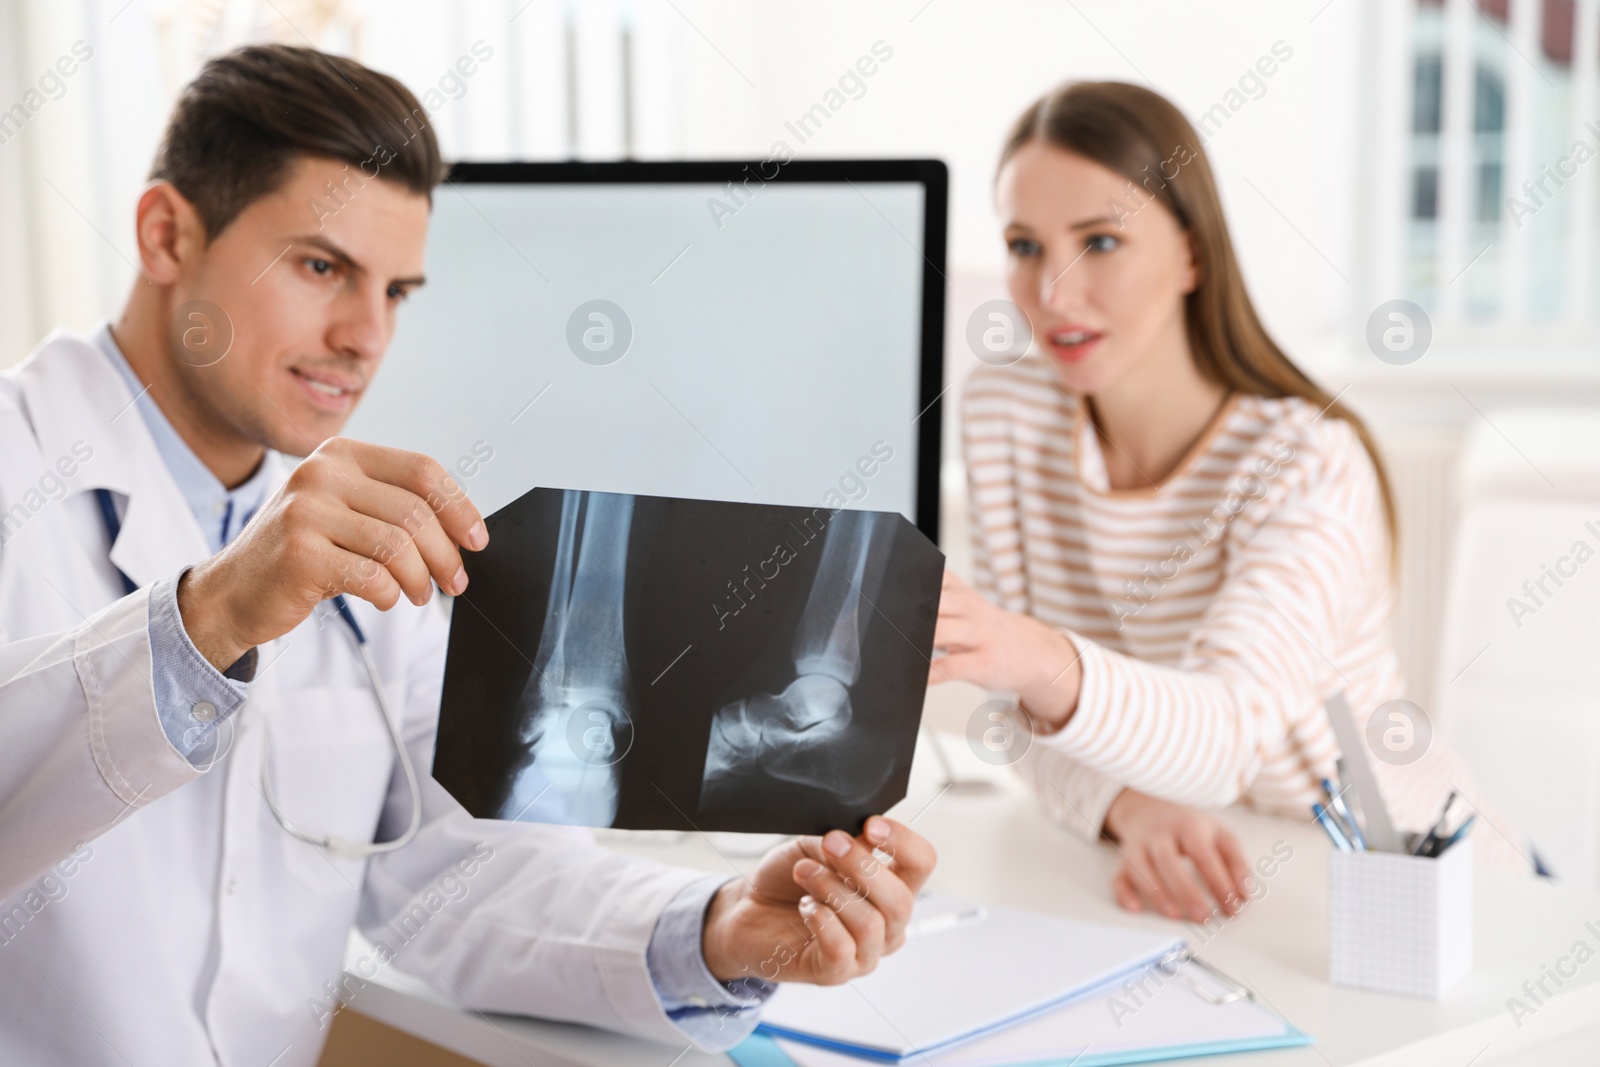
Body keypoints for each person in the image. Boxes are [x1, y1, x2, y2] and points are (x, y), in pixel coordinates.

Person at [0, 45, 935, 1066]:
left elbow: (449, 873)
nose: (366, 335)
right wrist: (211, 618)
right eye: (322, 266)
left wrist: (716, 930)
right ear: (166, 232)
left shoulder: (351, 553)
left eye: (398, 290)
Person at [931, 81, 1524, 924]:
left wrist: (1031, 656)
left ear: (1191, 255)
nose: (1053, 292)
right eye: (1025, 246)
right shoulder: (1008, 411)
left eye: (1100, 241)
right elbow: (1023, 722)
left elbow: (1224, 735)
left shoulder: (1307, 461)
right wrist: (1130, 806)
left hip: (1400, 873)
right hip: (1213, 865)